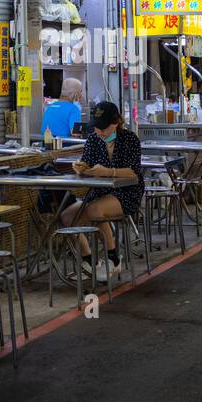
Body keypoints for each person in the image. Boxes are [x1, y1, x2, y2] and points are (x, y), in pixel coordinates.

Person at [61, 101, 143, 281]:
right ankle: (89, 261)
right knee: (67, 217)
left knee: (95, 210)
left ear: (116, 123)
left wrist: (108, 172)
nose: (99, 132)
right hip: (97, 192)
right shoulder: (93, 140)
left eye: (103, 128)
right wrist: (80, 168)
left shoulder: (129, 139)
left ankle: (113, 259)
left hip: (127, 193)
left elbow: (133, 171)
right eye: (96, 128)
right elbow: (87, 163)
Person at [40, 77, 84, 141]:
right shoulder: (73, 109)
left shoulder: (50, 107)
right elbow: (76, 133)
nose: (81, 95)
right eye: (80, 92)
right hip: (64, 146)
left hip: (46, 145)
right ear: (76, 94)